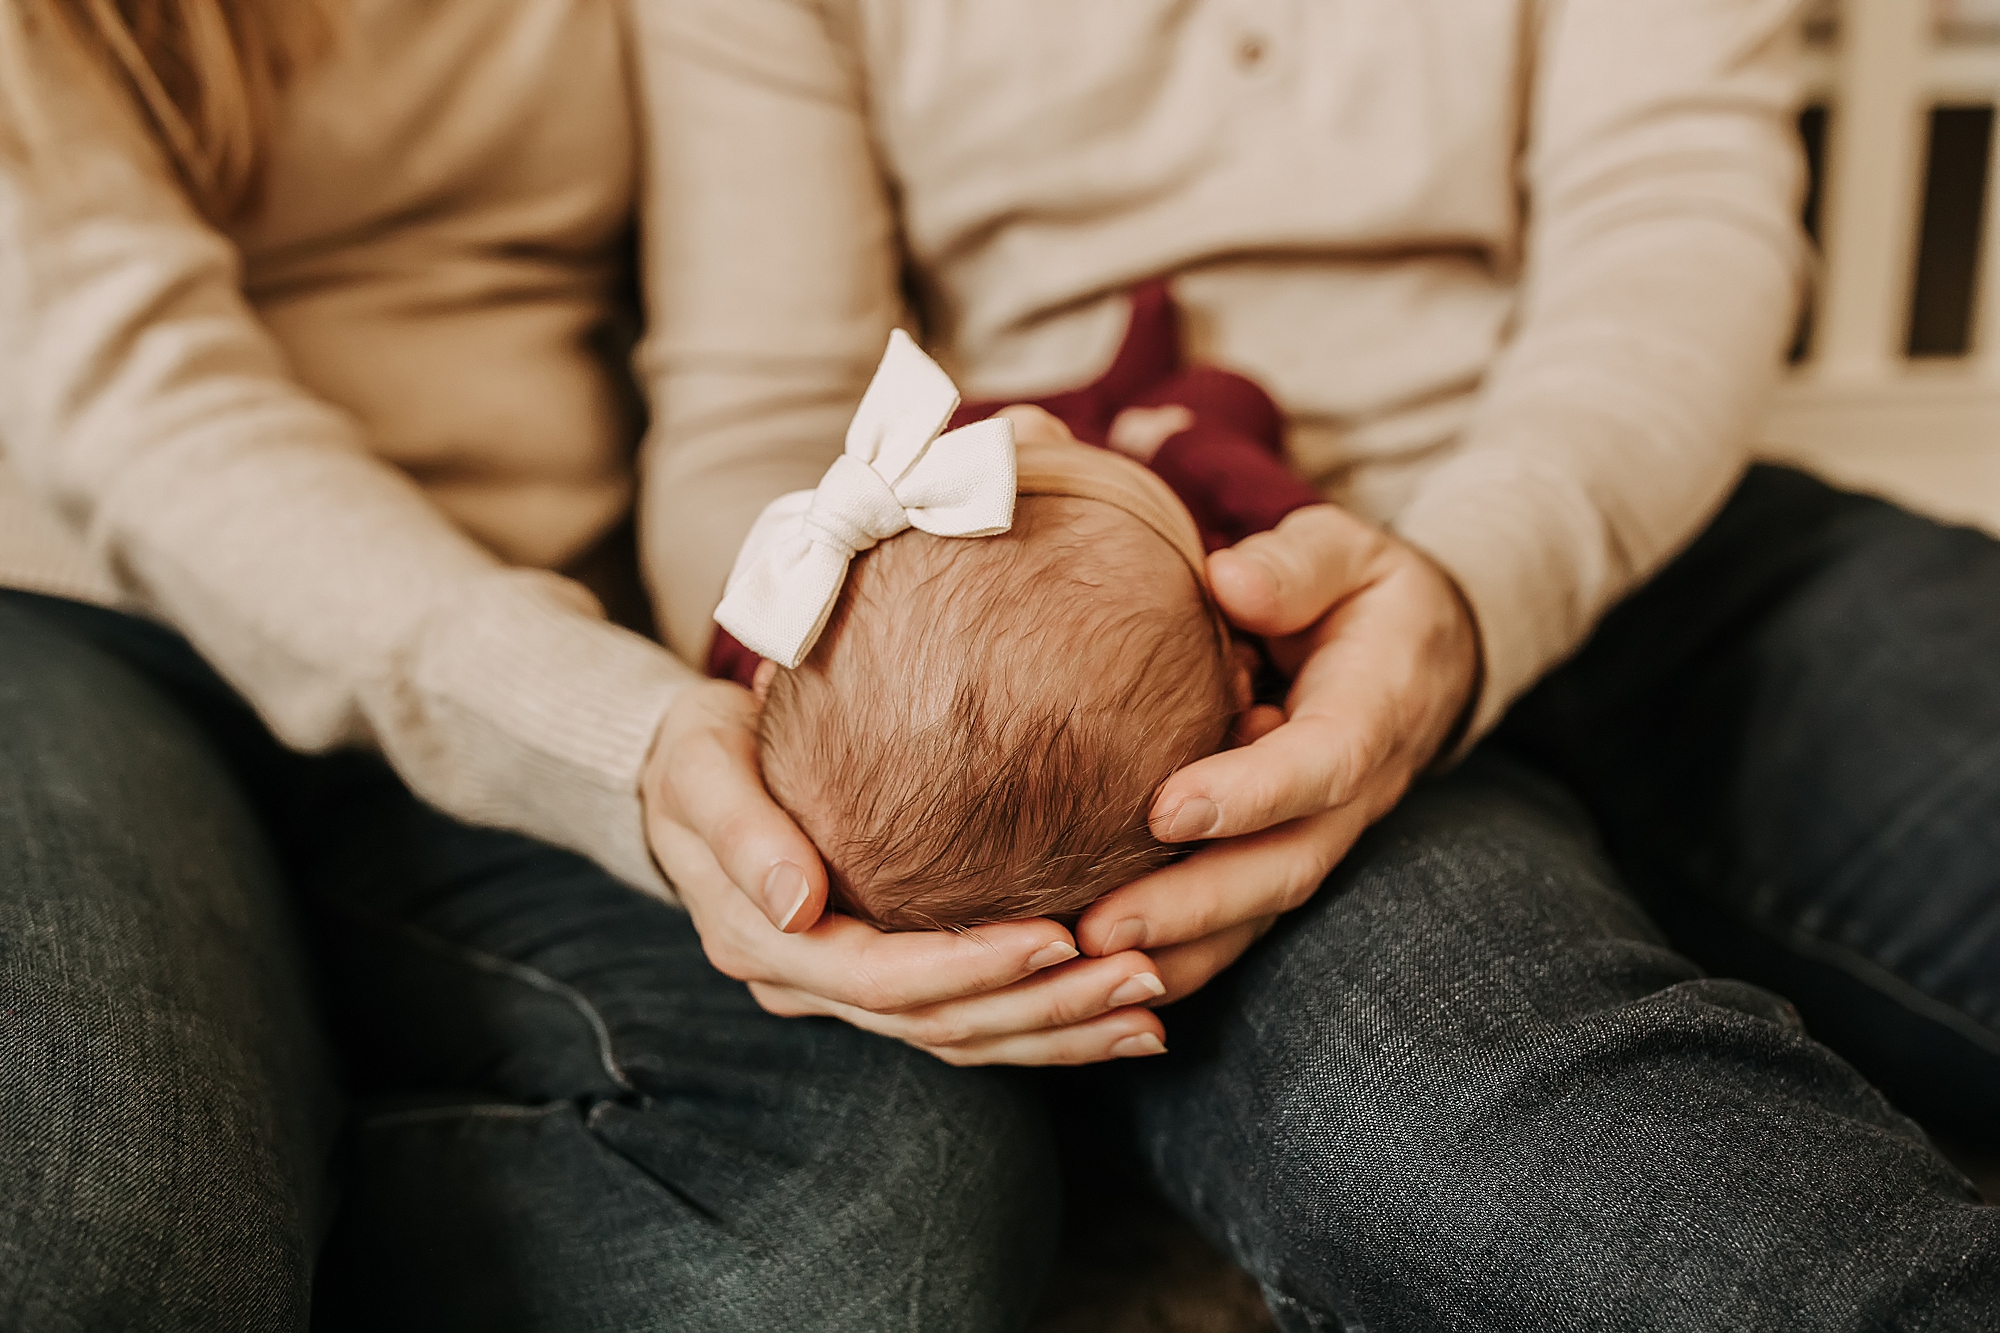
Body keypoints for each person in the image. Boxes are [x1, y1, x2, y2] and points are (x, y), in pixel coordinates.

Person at [640, 1, 2000, 1329]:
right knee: (1489, 1130)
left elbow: (1678, 208)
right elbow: (764, 417)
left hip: (1629, 493)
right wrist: (821, 701)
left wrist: (1473, 583)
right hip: (1141, 713)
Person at [0, 3, 1139, 1329]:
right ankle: (224, 1126)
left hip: (543, 655)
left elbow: (757, 393)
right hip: (83, 614)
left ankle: (253, 1110)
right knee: (107, 1224)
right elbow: (138, 406)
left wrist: (797, 712)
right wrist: (614, 733)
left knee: (881, 1221)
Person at [716, 289, 1321, 930]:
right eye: (1062, 452)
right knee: (1219, 398)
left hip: (949, 466)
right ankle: (1126, 394)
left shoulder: (788, 611)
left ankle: (1105, 391)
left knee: (998, 418)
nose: (1030, 419)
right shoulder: (1226, 579)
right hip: (1138, 440)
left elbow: (746, 636)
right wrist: (1179, 446)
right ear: (1241, 680)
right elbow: (1269, 470)